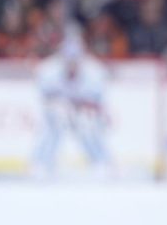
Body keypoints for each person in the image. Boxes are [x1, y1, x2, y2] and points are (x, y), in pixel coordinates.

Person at [33, 27, 110, 179]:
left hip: (85, 112)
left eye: (75, 61)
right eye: (68, 61)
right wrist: (64, 107)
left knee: (88, 127)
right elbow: (46, 99)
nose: (72, 65)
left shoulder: (95, 72)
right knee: (53, 125)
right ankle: (41, 162)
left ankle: (101, 162)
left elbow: (97, 103)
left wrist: (81, 109)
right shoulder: (48, 71)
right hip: (60, 110)